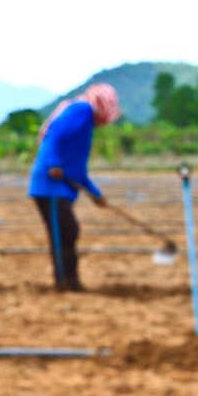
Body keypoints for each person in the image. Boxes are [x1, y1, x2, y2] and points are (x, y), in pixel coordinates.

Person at [28, 83, 121, 292]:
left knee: (68, 232)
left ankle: (71, 281)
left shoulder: (86, 122)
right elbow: (54, 134)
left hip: (61, 185)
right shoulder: (82, 110)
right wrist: (52, 163)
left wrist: (96, 195)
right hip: (50, 186)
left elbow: (78, 170)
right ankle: (64, 283)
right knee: (64, 232)